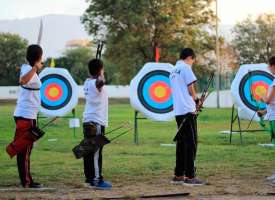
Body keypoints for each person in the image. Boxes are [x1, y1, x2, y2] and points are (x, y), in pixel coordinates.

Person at [169, 48, 205, 186]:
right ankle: (190, 177)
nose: (192, 64)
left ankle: (178, 175)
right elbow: (191, 89)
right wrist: (197, 101)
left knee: (181, 143)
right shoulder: (185, 68)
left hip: (178, 111)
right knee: (191, 143)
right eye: (193, 61)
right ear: (190, 57)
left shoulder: (172, 71)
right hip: (188, 111)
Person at [13, 44, 44, 188]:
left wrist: (37, 68)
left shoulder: (31, 70)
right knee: (25, 150)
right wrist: (35, 68)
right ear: (38, 57)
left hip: (27, 115)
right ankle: (26, 182)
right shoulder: (27, 69)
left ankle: (26, 179)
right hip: (26, 116)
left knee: (25, 149)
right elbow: (23, 81)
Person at [82, 58, 112, 190]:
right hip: (96, 123)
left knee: (88, 152)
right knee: (95, 153)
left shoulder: (87, 82)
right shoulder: (97, 83)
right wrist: (101, 74)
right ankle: (96, 180)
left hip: (88, 121)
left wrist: (98, 72)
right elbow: (101, 83)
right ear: (100, 70)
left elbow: (97, 81)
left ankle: (89, 179)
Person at [260, 56, 275, 185]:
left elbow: (269, 100)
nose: (268, 68)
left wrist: (262, 97)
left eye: (269, 66)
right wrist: (264, 112)